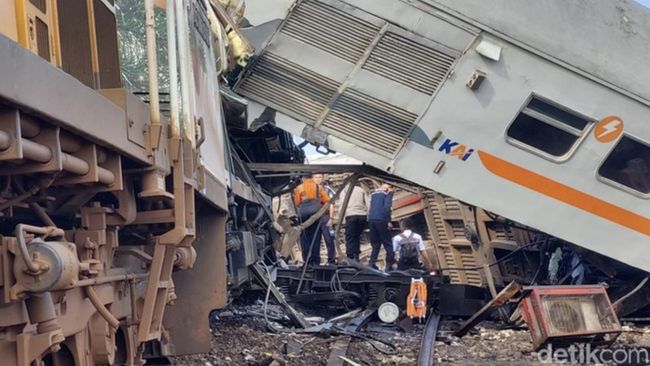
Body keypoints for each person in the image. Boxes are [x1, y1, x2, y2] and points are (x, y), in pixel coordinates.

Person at [293, 174, 330, 265]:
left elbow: (297, 202)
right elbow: (327, 200)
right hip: (316, 213)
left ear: (303, 178)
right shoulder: (319, 187)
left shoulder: (299, 187)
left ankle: (307, 260)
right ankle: (316, 260)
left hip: (303, 213)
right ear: (311, 177)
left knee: (304, 237)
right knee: (316, 236)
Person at [367, 184, 394, 271]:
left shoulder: (374, 193)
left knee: (376, 243)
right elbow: (387, 207)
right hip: (381, 219)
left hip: (372, 219)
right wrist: (388, 221)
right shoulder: (388, 192)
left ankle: (371, 264)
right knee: (388, 243)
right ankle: (389, 266)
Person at [340, 184, 368, 261]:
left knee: (350, 237)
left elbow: (343, 205)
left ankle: (350, 257)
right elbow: (368, 202)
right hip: (362, 215)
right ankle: (357, 256)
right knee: (357, 236)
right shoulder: (361, 189)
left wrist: (342, 220)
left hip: (351, 215)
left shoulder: (344, 191)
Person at [313, 173, 336, 264]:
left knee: (329, 239)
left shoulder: (327, 190)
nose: (318, 179)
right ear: (313, 179)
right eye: (316, 177)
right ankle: (315, 261)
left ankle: (331, 260)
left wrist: (331, 218)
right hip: (314, 218)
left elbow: (331, 204)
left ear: (323, 178)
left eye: (320, 177)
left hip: (325, 217)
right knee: (315, 240)